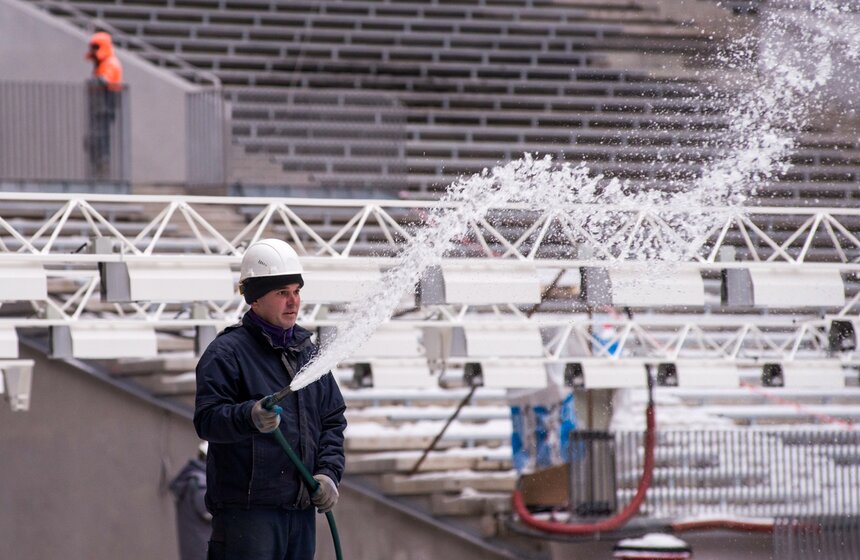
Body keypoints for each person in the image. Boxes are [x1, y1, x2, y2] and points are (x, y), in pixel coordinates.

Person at [194, 238, 347, 560]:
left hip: (300, 511)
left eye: (296, 292)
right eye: (282, 293)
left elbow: (332, 419)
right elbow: (207, 420)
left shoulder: (308, 353)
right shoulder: (226, 353)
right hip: (248, 516)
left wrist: (328, 473)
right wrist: (248, 416)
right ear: (255, 299)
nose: (293, 302)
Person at [84, 32, 123, 179]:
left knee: (102, 138)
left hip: (106, 104)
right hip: (98, 105)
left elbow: (106, 80)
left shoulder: (111, 62)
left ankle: (103, 167)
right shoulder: (100, 63)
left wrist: (97, 81)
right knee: (93, 139)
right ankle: (96, 168)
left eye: (95, 47)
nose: (92, 51)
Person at [169, 442, 212, 560]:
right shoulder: (200, 482)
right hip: (202, 549)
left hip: (193, 549)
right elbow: (208, 510)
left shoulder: (191, 479)